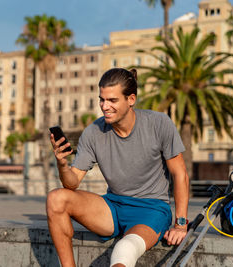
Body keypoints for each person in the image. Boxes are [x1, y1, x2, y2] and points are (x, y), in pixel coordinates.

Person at [47, 68, 189, 267]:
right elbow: (72, 184)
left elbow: (180, 174)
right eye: (102, 99)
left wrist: (180, 225)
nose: (105, 106)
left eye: (112, 100)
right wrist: (62, 164)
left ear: (131, 99)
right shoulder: (93, 132)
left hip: (152, 209)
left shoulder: (159, 124)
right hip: (113, 207)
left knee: (125, 249)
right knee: (56, 198)